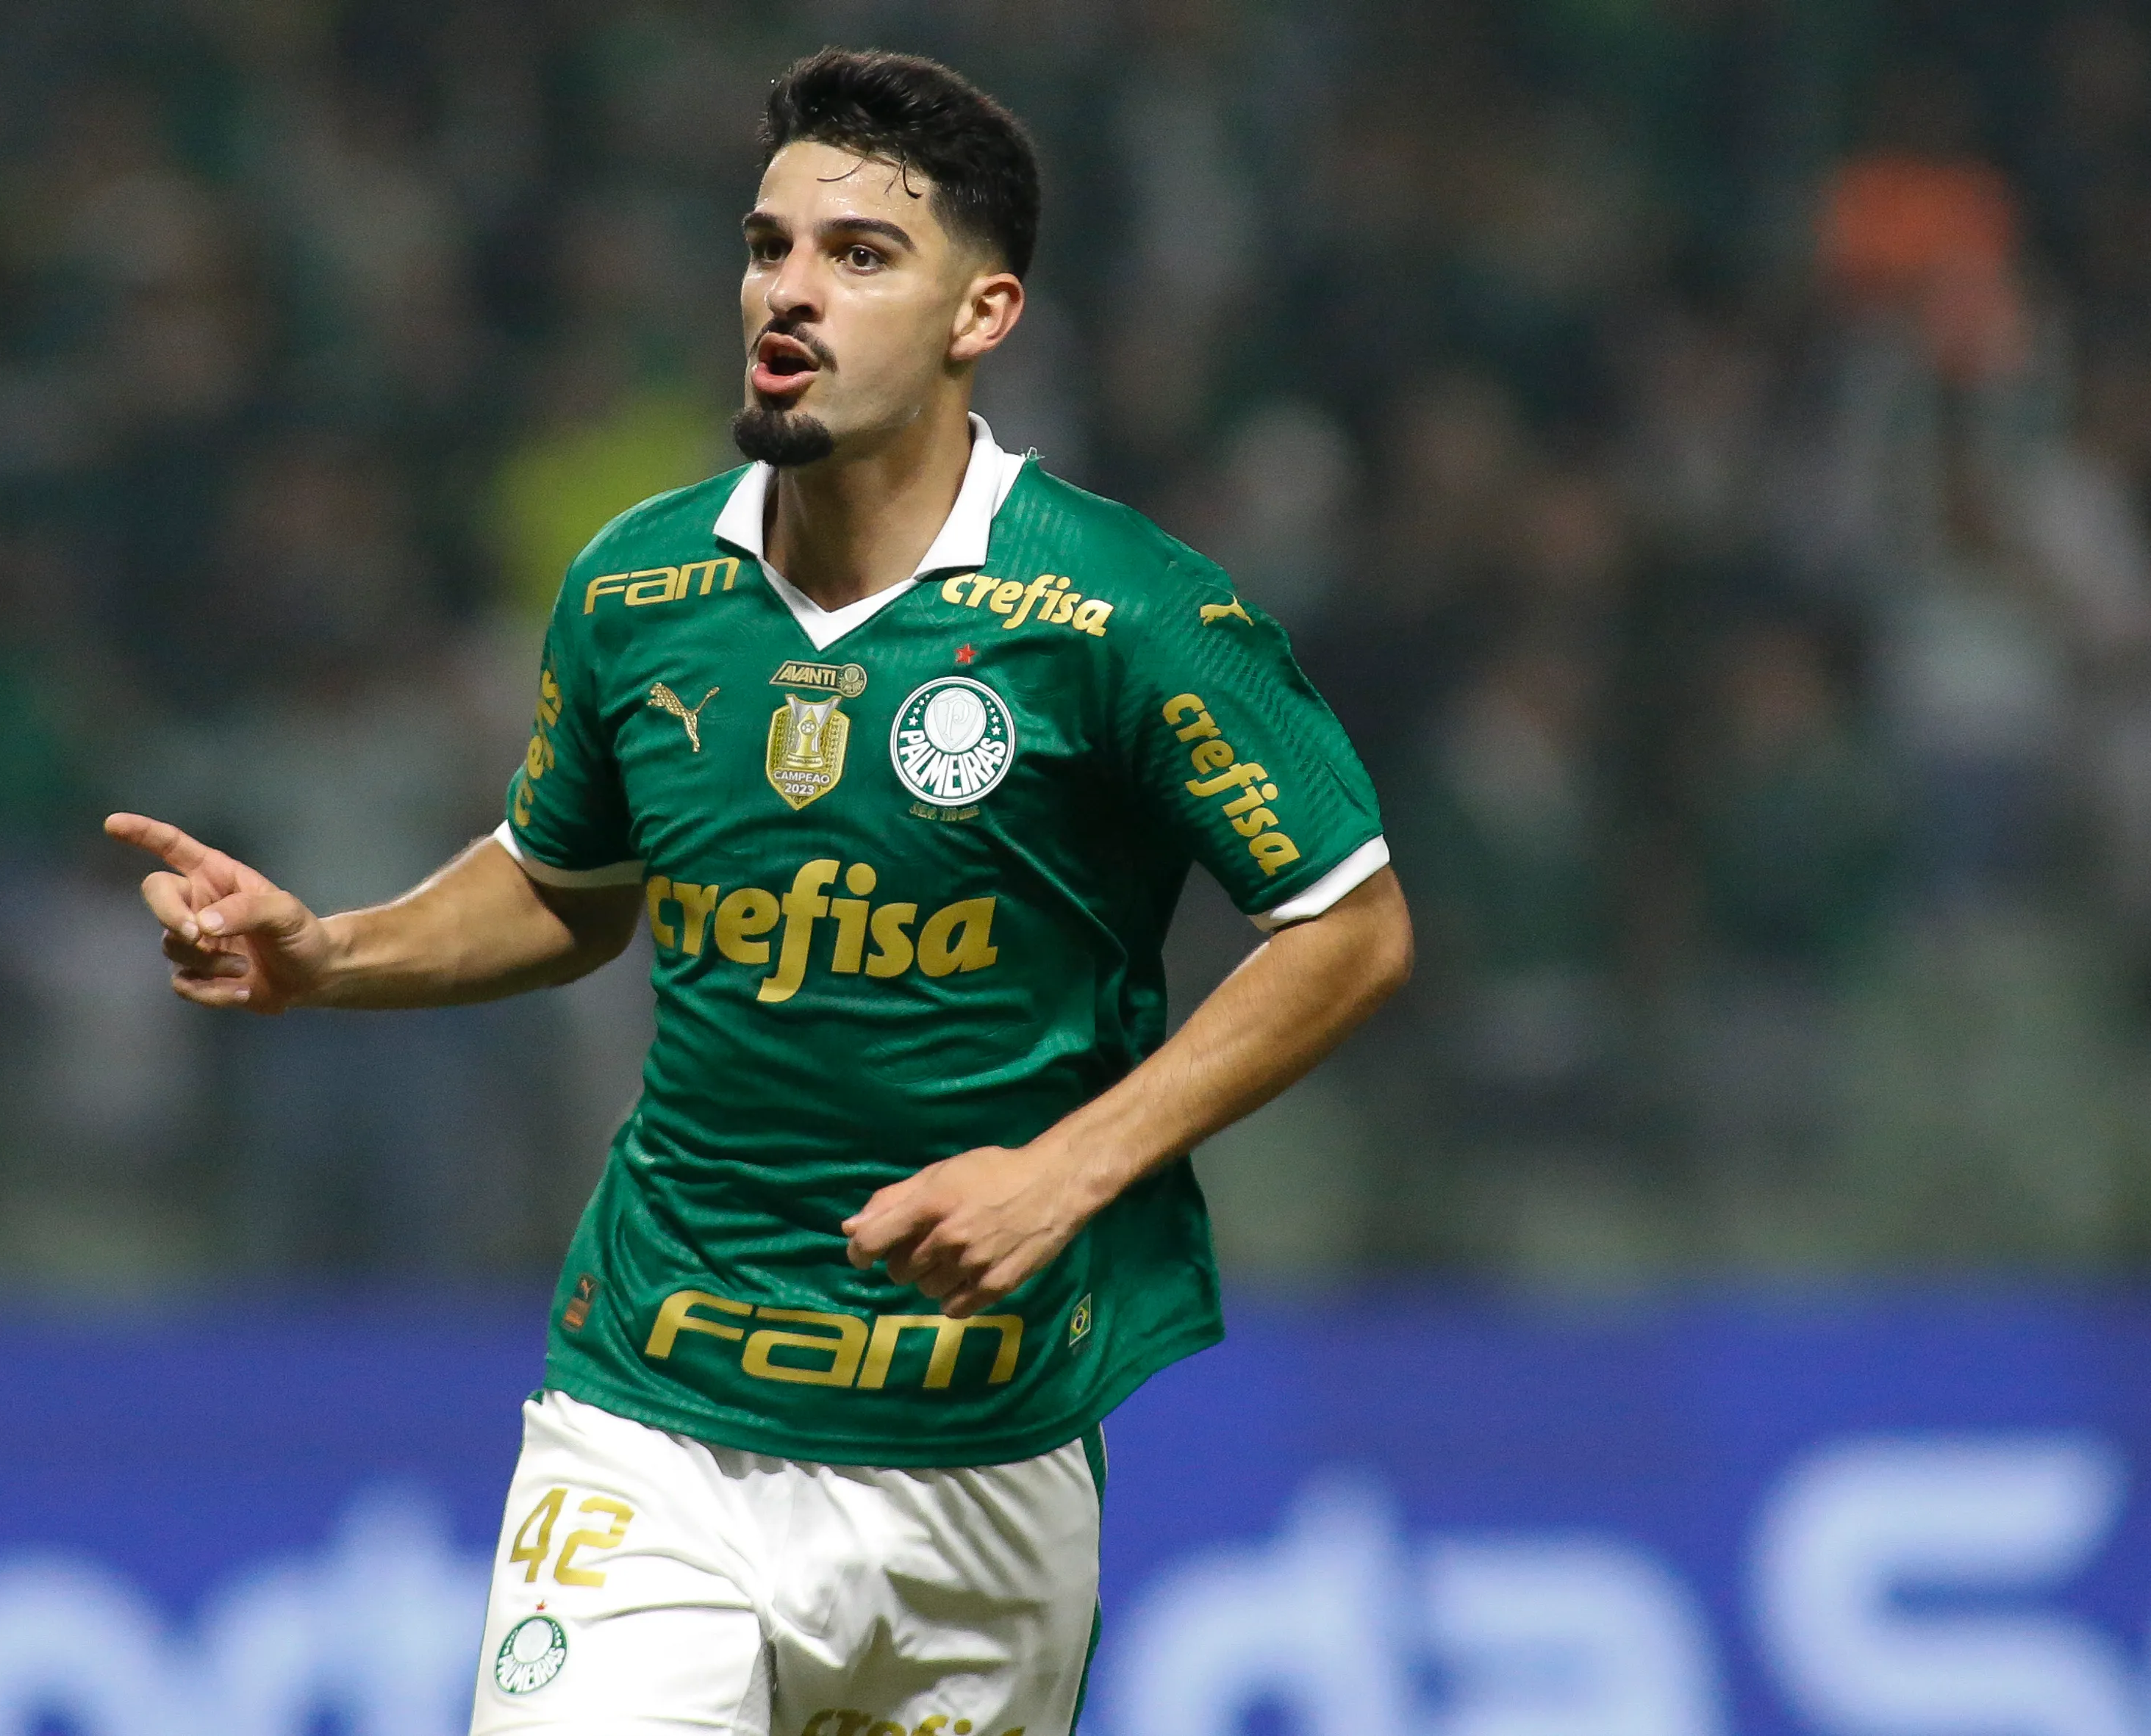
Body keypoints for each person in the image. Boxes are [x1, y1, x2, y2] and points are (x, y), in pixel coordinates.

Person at [108, 49, 1410, 1736]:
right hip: (658, 1408)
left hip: (980, 1448)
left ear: (981, 312)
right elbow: (566, 884)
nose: (790, 288)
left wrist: (1062, 1171)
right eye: (768, 244)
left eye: (860, 256)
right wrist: (330, 951)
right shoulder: (638, 588)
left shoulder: (1124, 615)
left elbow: (1351, 924)